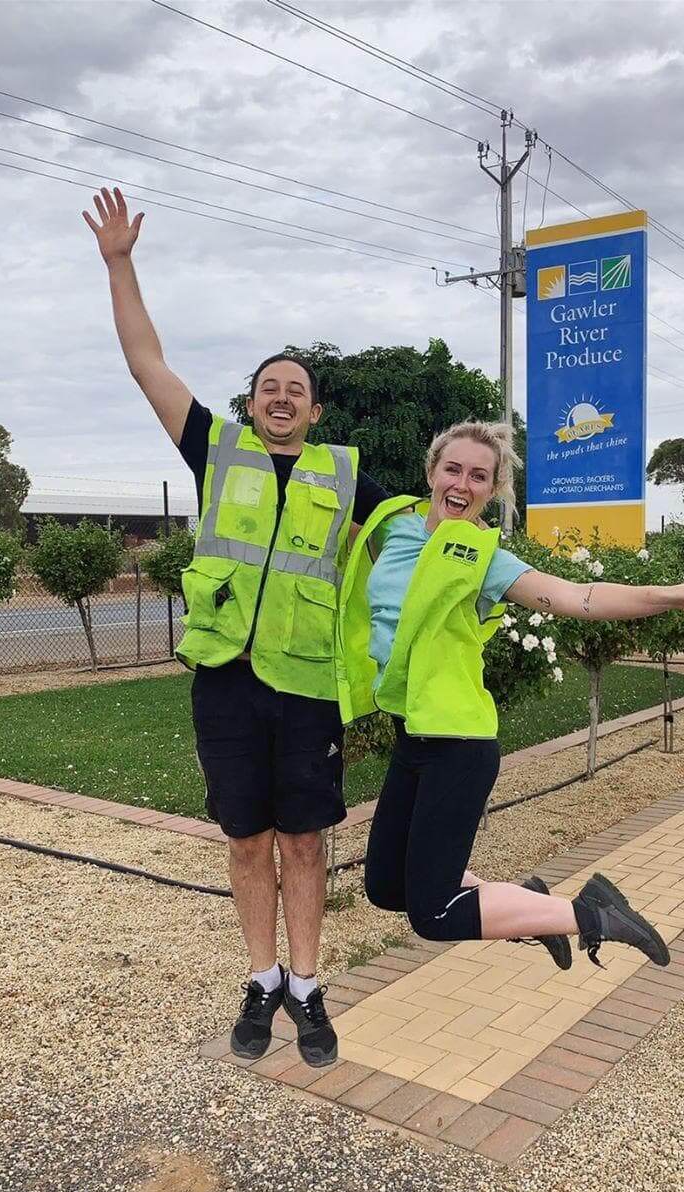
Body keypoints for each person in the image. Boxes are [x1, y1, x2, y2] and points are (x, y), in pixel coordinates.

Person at [84, 187, 391, 1067]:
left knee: (305, 838)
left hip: (306, 691)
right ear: (251, 403)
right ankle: (260, 980)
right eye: (269, 387)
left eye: (297, 389)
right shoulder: (214, 450)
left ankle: (306, 983)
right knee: (246, 839)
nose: (282, 397)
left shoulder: (347, 478)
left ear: (316, 410)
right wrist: (120, 263)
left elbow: (420, 530)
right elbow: (147, 364)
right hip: (227, 682)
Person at [335, 420, 684, 965]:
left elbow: (577, 596)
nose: (462, 484)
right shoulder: (393, 525)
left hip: (457, 744)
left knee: (433, 914)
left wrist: (673, 597)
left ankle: (592, 914)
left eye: (480, 477)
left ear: (495, 490)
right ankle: (527, 903)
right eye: (453, 469)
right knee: (386, 886)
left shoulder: (483, 557)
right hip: (411, 735)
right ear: (432, 472)